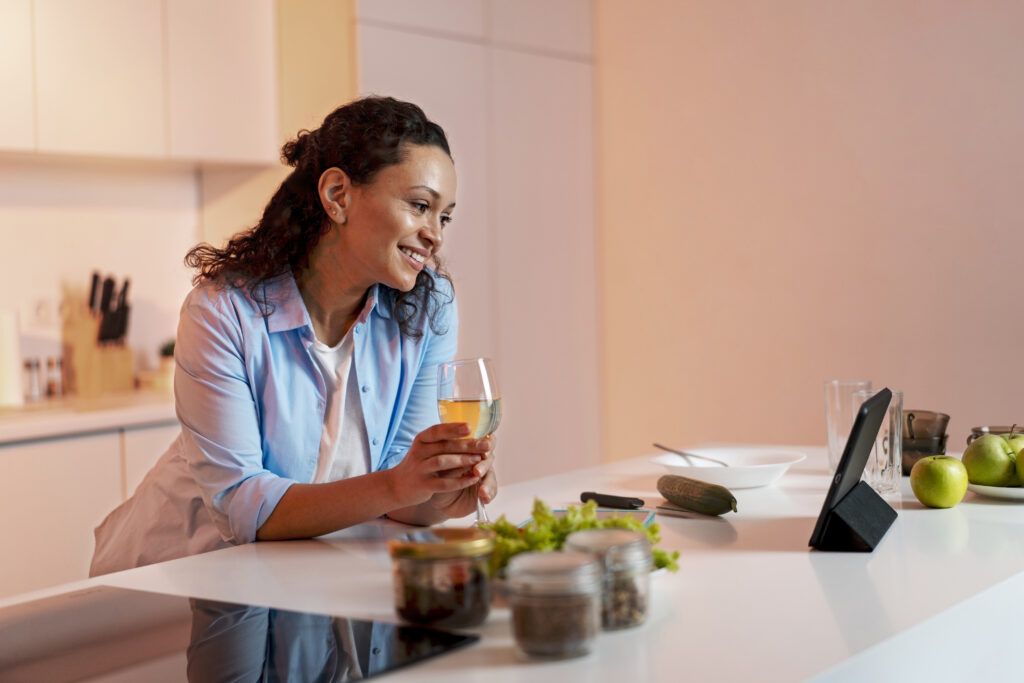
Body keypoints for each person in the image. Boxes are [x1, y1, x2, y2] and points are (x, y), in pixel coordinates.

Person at [90, 96, 496, 576]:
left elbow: (396, 495)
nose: (436, 234)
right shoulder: (223, 312)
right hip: (176, 576)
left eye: (444, 216)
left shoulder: (426, 311)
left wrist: (442, 494)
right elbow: (241, 504)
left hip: (291, 575)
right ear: (338, 195)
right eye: (420, 206)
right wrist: (401, 485)